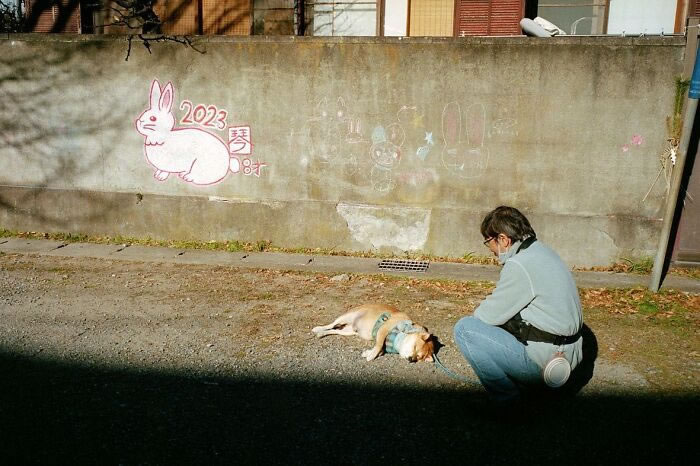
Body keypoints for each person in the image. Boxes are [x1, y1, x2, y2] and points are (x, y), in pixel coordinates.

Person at [454, 206, 583, 402]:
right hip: (570, 357)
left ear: (503, 239)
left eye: (489, 242)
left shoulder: (520, 264)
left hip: (546, 364)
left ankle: (509, 402)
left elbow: (486, 316)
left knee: (465, 329)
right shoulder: (544, 252)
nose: (491, 251)